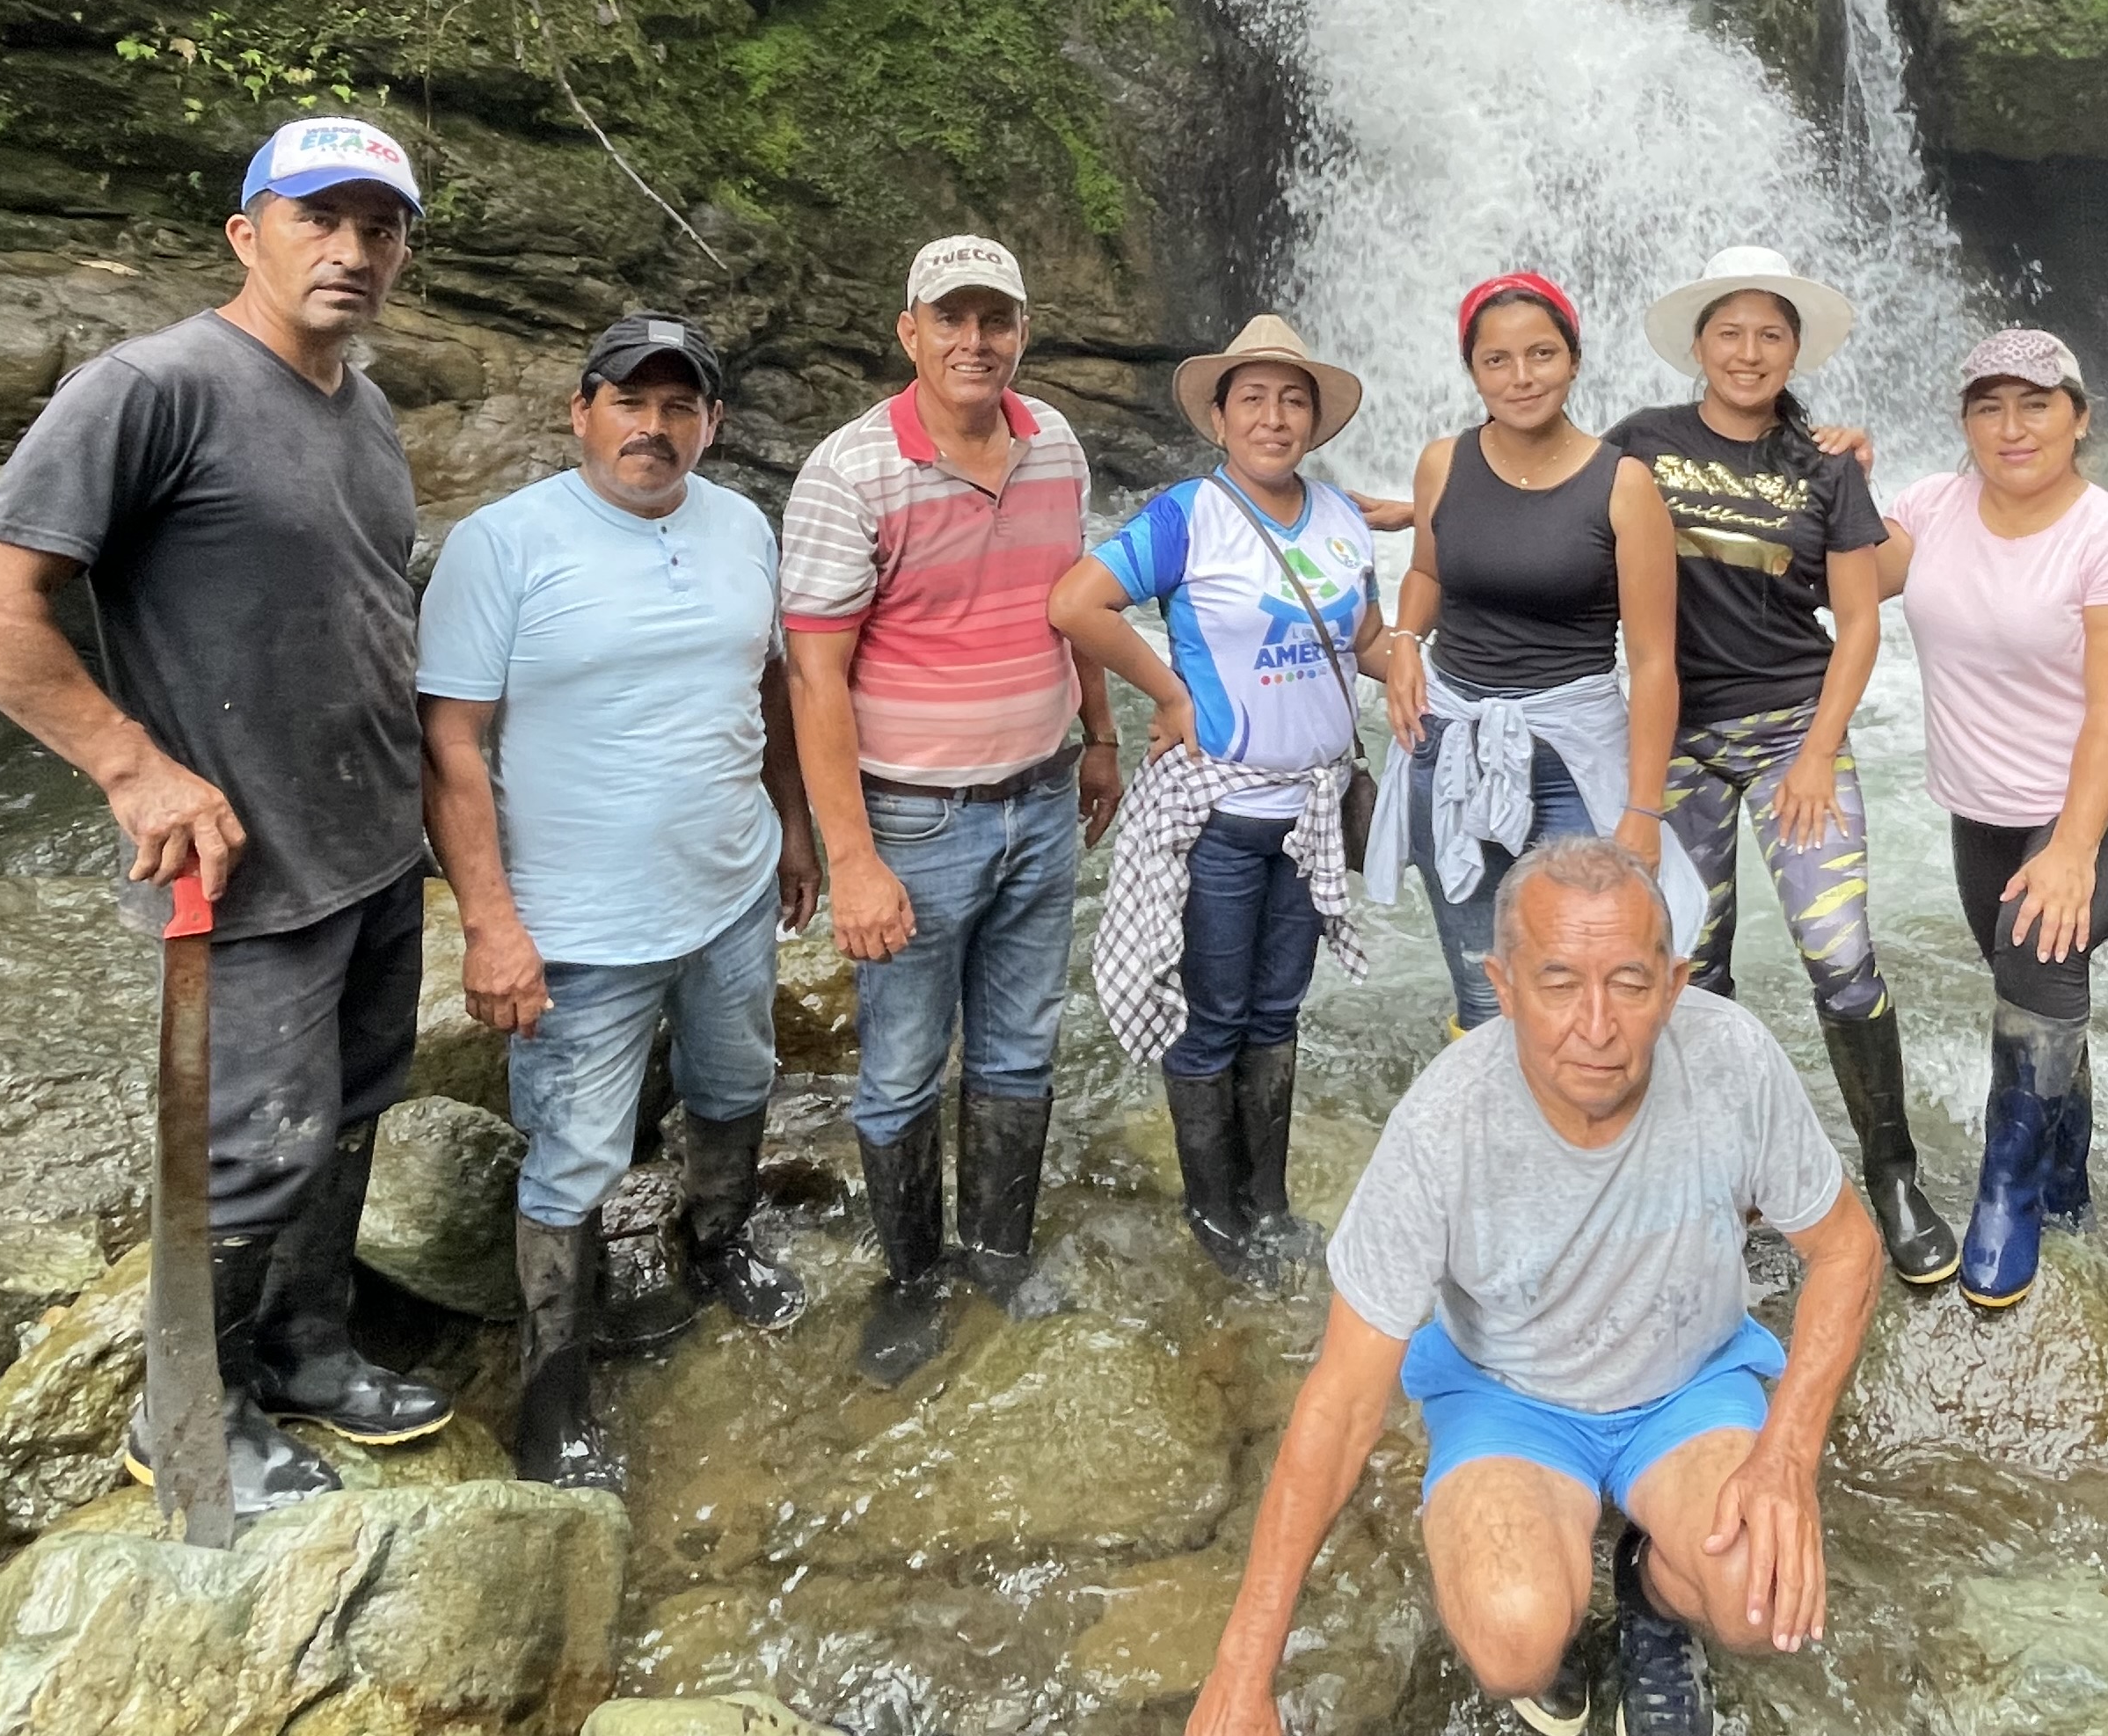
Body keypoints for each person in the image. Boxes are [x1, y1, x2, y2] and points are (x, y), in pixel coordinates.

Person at [0, 116, 449, 1515]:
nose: (351, 250)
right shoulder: (151, 388)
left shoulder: (364, 407)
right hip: (242, 869)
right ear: (245, 233)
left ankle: (308, 1351)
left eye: (380, 227)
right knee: (248, 1153)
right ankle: (189, 1423)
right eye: (317, 218)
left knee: (349, 1116)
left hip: (371, 845)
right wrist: (132, 767)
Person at [1183, 837, 1885, 1736]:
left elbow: (1847, 1250)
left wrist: (1786, 1456)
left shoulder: (1732, 1059)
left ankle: (1652, 1594)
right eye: (1558, 984)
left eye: (1630, 984)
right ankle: (1555, 1596)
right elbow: (1344, 1399)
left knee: (1761, 1600)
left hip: (1689, 1383)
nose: (1596, 1025)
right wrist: (1243, 1670)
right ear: (1503, 987)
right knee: (1514, 1639)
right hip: (1509, 1398)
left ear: (1674, 986)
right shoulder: (1443, 1126)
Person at [416, 314, 820, 1489]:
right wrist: (490, 923)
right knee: (573, 1159)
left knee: (735, 1083)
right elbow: (449, 742)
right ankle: (557, 1392)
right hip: (577, 924)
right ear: (580, 413)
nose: (654, 426)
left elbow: (770, 685)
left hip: (731, 889)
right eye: (629, 402)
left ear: (713, 423)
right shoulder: (502, 543)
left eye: (679, 405)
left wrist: (794, 828)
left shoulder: (742, 525)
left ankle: (717, 1241)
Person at [779, 235, 1121, 1386]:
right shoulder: (849, 472)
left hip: (1042, 795)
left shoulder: (1055, 441)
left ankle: (1001, 1256)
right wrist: (853, 859)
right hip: (916, 819)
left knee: (1020, 1047)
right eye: (952, 319)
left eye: (997, 320)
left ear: (1022, 331)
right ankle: (913, 1280)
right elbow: (814, 677)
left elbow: (1074, 605)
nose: (976, 341)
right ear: (910, 331)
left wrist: (1102, 736)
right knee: (902, 1066)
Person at [1609, 246, 1958, 1291]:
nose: (1749, 351)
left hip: (1792, 729)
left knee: (1840, 955)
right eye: (1731, 332)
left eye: (1770, 334)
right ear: (1699, 346)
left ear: (1794, 351)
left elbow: (1860, 623)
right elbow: (1540, 502)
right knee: (1693, 965)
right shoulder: (1640, 444)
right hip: (1673, 739)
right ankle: (1717, 1184)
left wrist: (1814, 754)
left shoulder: (1827, 467)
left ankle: (1893, 1177)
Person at [1054, 316, 1385, 1290]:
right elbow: (1074, 604)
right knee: (1212, 1017)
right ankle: (1214, 1217)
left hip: (1309, 813)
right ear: (1220, 417)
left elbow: (1366, 638)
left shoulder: (1341, 519)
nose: (1274, 418)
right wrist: (1166, 694)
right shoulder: (1187, 515)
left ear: (1314, 420)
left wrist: (1412, 649)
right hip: (1221, 823)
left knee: (1276, 1012)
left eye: (1293, 401)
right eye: (1254, 400)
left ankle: (1268, 1204)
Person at [1879, 328, 2108, 1312]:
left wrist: (2072, 848)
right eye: (1989, 407)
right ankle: (2067, 1178)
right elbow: (1845, 573)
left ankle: (2007, 1191)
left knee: (2035, 950)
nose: (2012, 427)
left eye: (2037, 404)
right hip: (1984, 811)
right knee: (2027, 981)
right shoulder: (1933, 506)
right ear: (1966, 422)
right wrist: (1826, 472)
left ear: (2080, 418)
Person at [1368, 271, 1696, 1034]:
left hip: (1572, 760)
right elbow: (1427, 572)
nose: (1521, 377)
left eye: (1542, 354)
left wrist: (1643, 810)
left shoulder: (1624, 486)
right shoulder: (1442, 464)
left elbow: (1653, 661)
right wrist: (1407, 641)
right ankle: (1491, 1109)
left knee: (1592, 978)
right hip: (1449, 747)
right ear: (1473, 370)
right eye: (1498, 360)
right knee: (1482, 987)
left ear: (1574, 360)